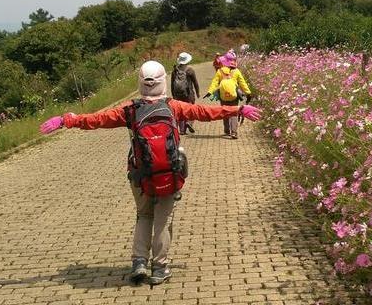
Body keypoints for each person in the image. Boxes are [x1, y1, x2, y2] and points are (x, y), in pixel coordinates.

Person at [39, 60, 262, 285]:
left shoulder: (129, 109)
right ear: (163, 81)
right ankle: (160, 267)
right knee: (164, 220)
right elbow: (204, 112)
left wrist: (66, 120)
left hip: (139, 172)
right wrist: (239, 108)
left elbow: (96, 120)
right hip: (168, 172)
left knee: (144, 215)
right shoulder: (173, 106)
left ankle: (139, 262)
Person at [204, 50, 252, 139]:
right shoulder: (236, 71)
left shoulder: (220, 71)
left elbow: (215, 82)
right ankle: (234, 132)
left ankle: (227, 130)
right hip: (234, 96)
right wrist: (248, 93)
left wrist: (209, 92)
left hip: (223, 96)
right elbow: (243, 83)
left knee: (225, 112)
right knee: (234, 113)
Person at [171, 52, 200, 135]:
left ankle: (182, 130)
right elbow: (195, 82)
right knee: (191, 109)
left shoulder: (175, 70)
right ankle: (189, 122)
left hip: (177, 95)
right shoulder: (190, 70)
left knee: (180, 111)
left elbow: (172, 84)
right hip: (189, 94)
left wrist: (174, 95)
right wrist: (197, 92)